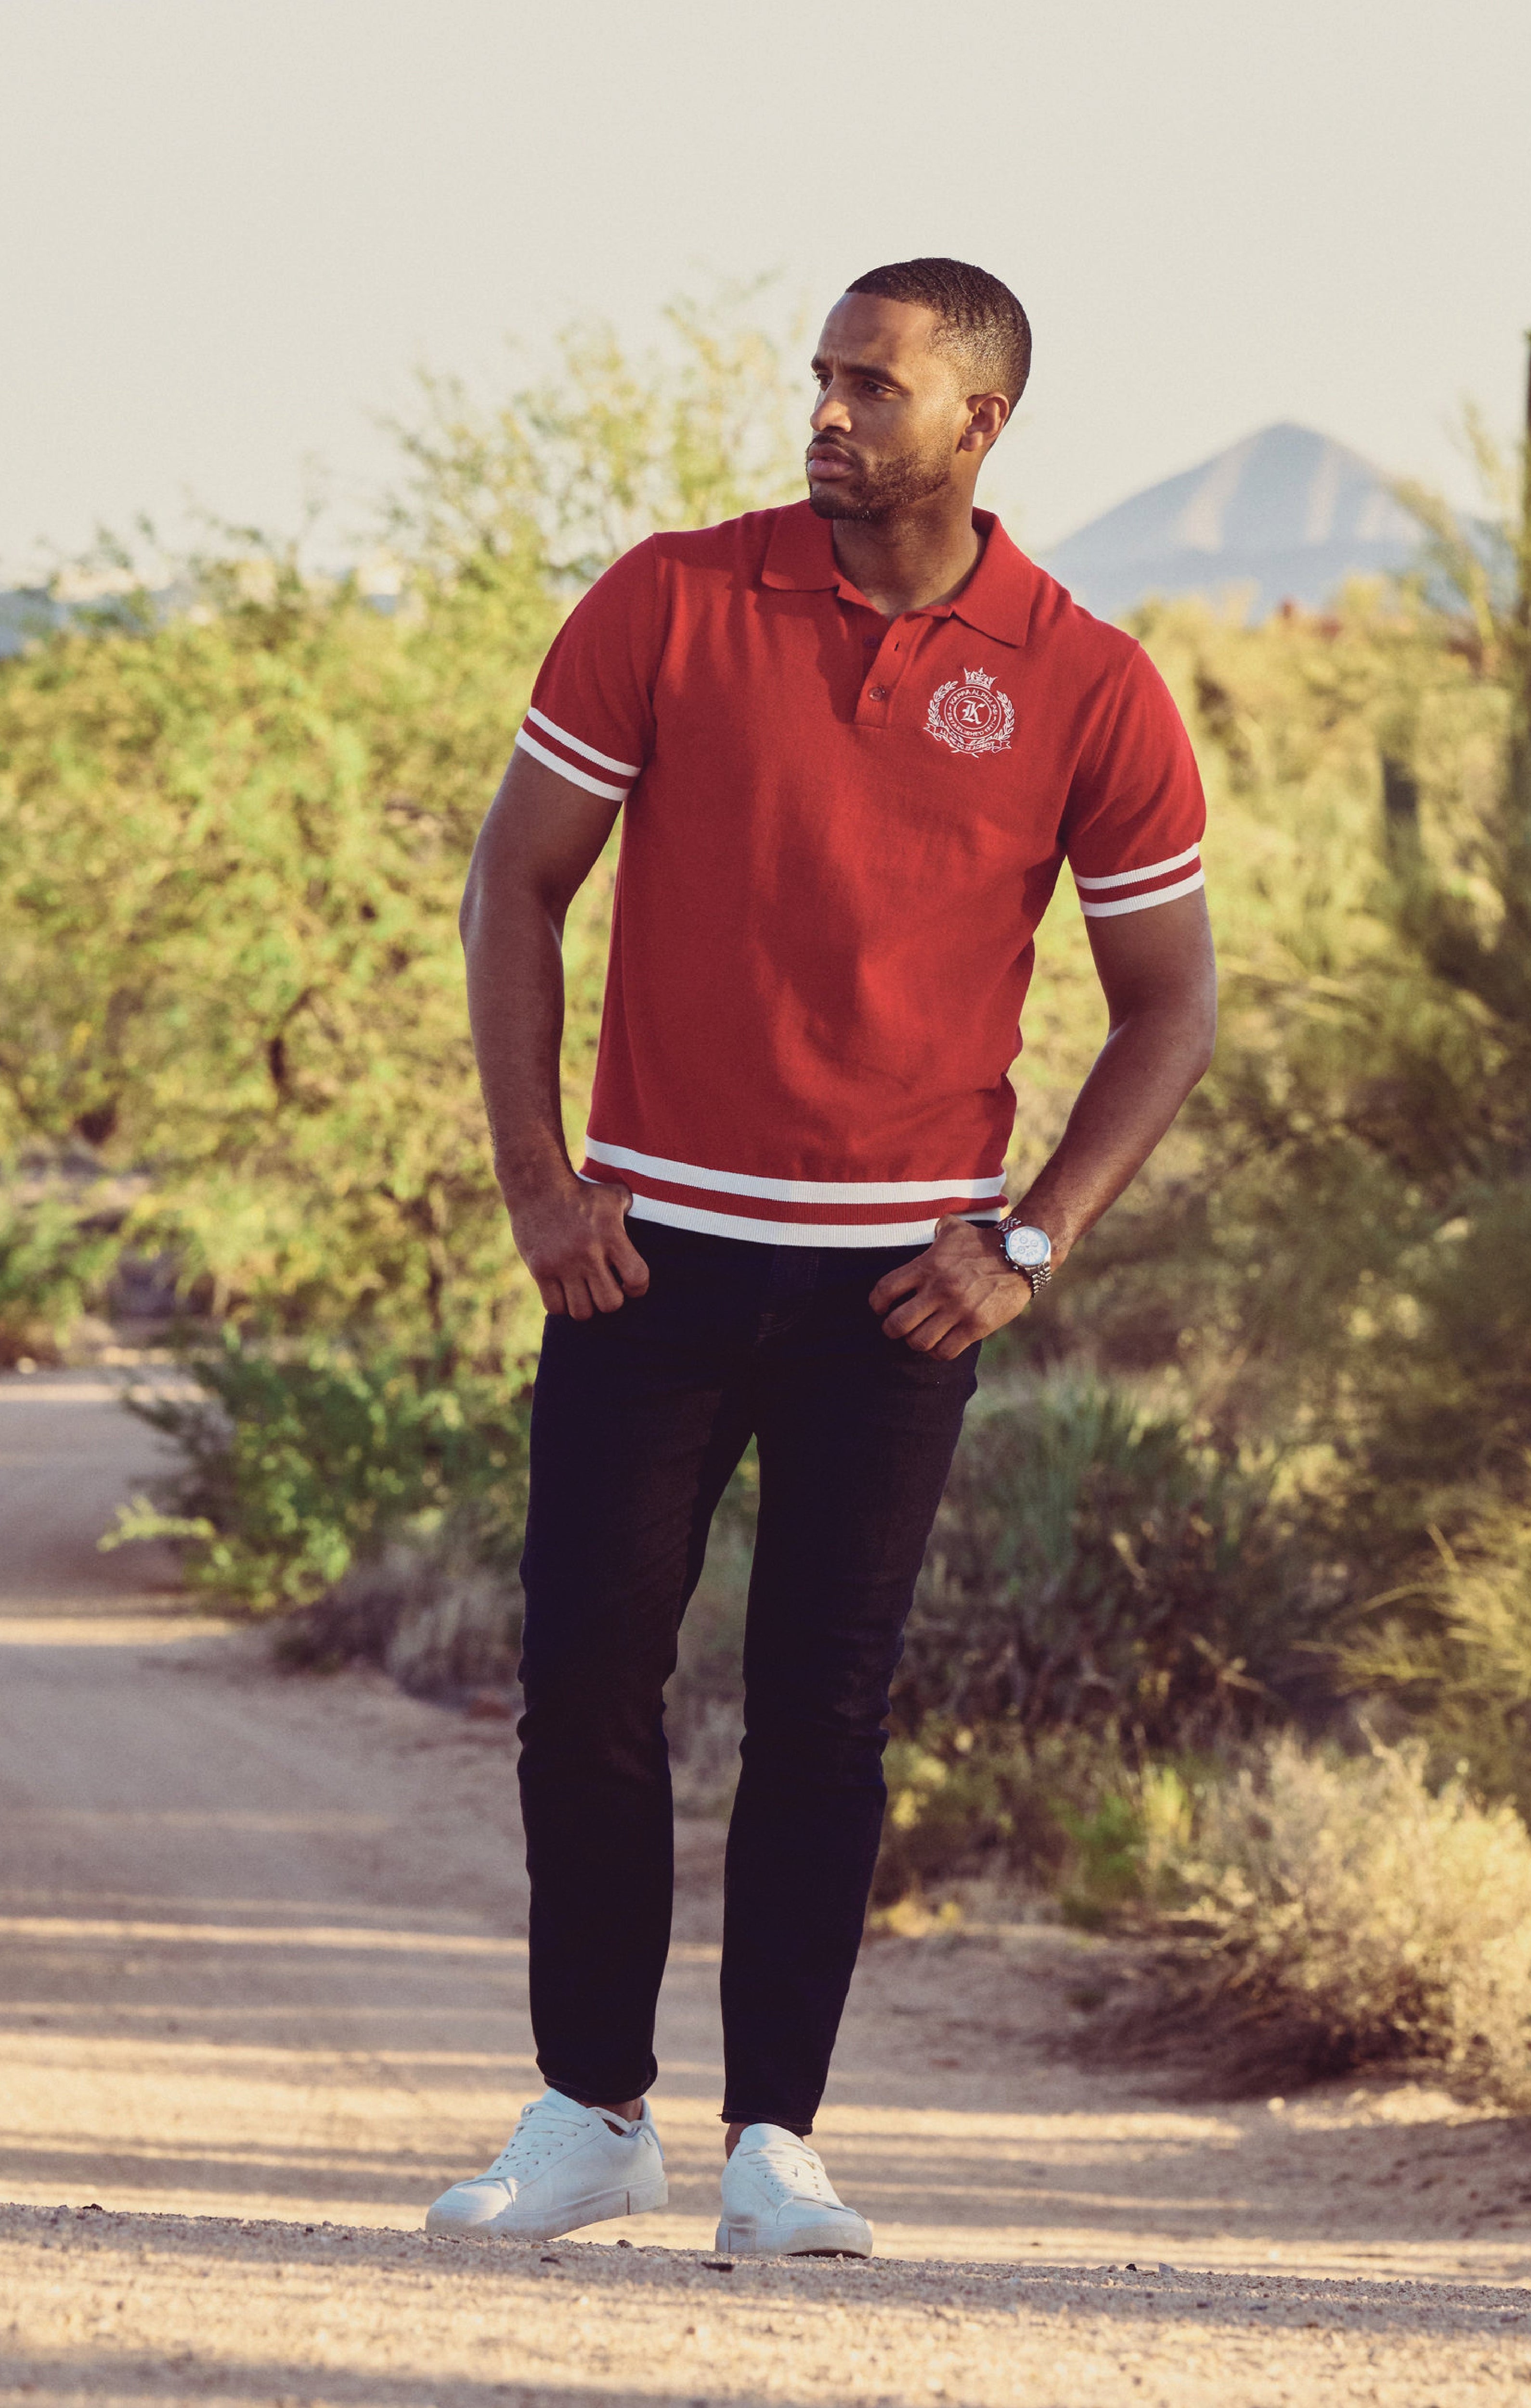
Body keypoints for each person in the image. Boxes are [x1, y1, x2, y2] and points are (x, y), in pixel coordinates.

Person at [428, 257, 1216, 2256]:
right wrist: (538, 1183)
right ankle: (588, 2112)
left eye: (874, 384)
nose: (829, 411)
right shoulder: (671, 599)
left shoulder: (1085, 678)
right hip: (647, 1260)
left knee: (823, 1711)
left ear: (979, 422)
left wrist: (1027, 1239)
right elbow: (515, 881)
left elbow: (1169, 1004)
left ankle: (774, 2140)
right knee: (586, 1680)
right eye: (822, 375)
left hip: (895, 1295)